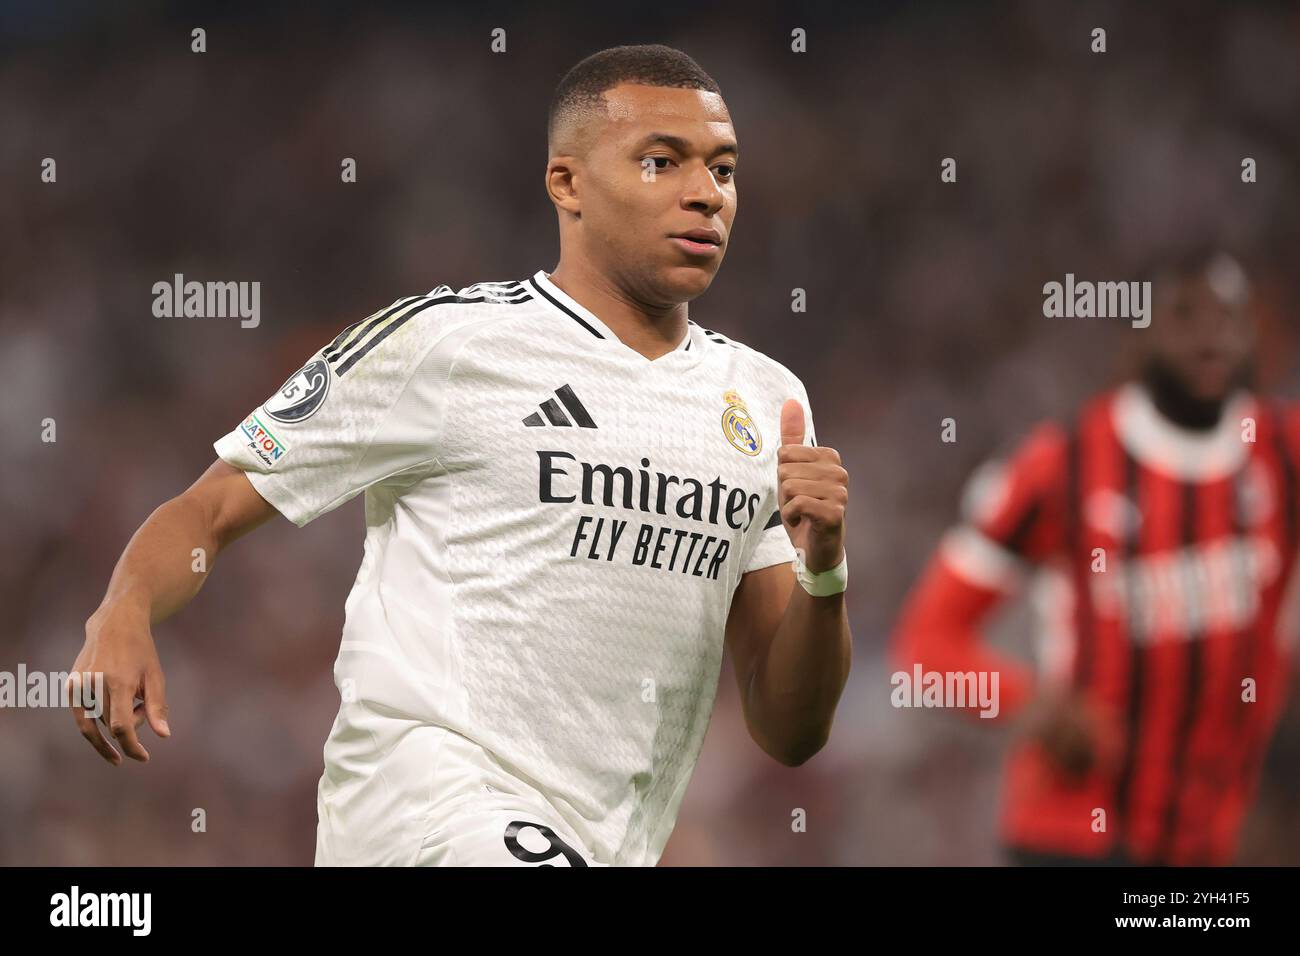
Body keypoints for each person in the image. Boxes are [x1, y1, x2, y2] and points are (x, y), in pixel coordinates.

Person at [69, 44, 852, 867]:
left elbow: (789, 729)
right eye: (661, 162)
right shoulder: (449, 343)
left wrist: (824, 571)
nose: (704, 194)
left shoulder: (766, 403)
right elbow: (211, 506)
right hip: (425, 813)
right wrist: (121, 609)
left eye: (723, 170)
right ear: (568, 184)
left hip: (599, 844)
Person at [892, 247, 1298, 865]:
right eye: (1186, 316)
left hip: (1210, 845)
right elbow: (925, 647)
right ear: (1138, 333)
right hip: (1071, 839)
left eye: (1230, 317)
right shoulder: (1063, 466)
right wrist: (1031, 704)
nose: (1213, 338)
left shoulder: (1285, 456)